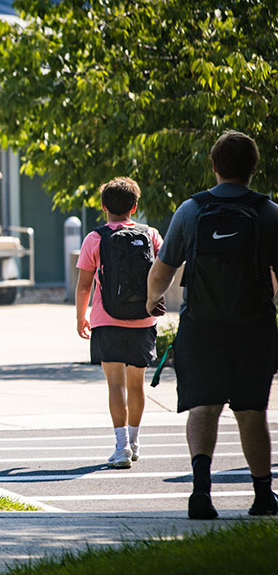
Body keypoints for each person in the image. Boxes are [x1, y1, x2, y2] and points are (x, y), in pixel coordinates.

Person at [147, 130, 278, 519]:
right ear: (254, 168)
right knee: (252, 411)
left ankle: (201, 494)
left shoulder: (191, 210)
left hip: (201, 327)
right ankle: (262, 496)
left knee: (203, 407)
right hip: (254, 327)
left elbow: (163, 269)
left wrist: (150, 300)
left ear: (215, 165)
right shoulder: (269, 212)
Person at [76, 177, 163, 468]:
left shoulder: (95, 238)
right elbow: (162, 271)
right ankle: (136, 444)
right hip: (143, 319)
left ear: (103, 208)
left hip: (106, 320)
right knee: (136, 385)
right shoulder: (150, 234)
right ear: (134, 207)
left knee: (115, 385)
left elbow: (84, 285)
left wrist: (81, 317)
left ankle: (121, 447)